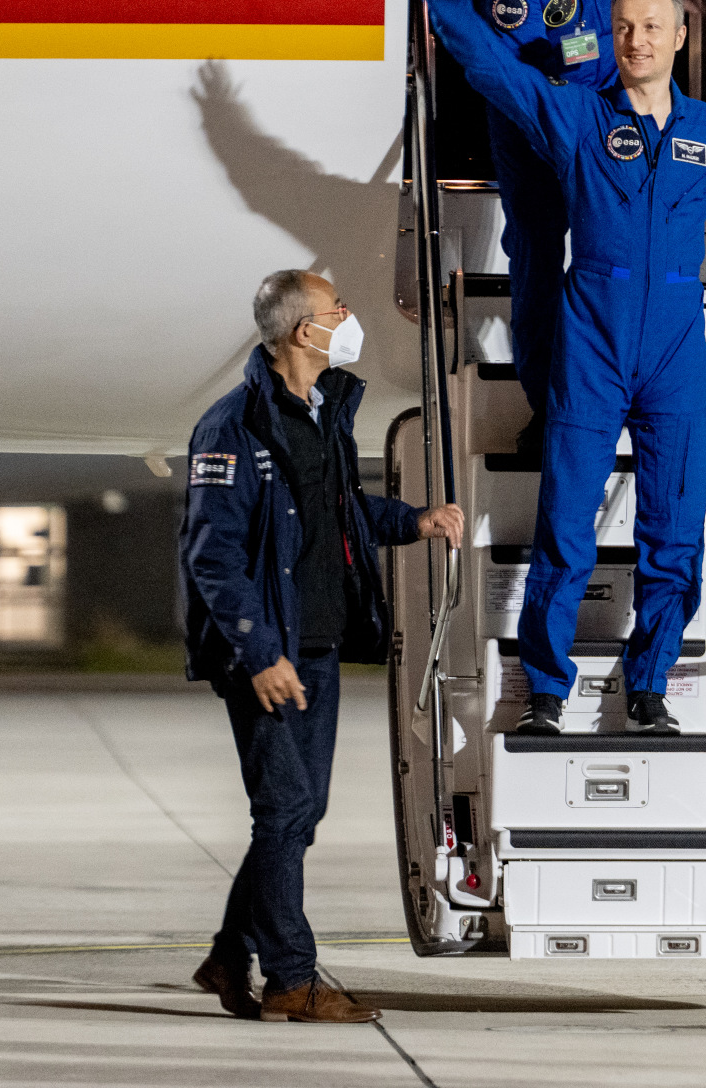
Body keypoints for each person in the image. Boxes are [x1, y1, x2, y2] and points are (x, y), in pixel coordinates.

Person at [400, 0, 706, 737]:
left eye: (652, 26)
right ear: (610, 40)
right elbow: (498, 72)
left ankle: (648, 686)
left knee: (673, 534)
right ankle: (546, 691)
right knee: (565, 528)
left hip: (675, 347)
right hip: (593, 342)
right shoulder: (578, 117)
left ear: (680, 38)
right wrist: (446, 3)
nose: (636, 39)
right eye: (623, 28)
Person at [181, 270, 463, 1022]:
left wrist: (414, 521)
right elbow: (214, 555)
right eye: (337, 309)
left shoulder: (324, 409)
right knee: (285, 810)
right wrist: (258, 654)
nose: (349, 316)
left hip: (316, 645)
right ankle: (292, 980)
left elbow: (339, 511)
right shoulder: (233, 426)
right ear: (304, 331)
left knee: (300, 815)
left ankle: (227, 955)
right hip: (266, 657)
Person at [480, 0, 706, 450]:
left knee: (621, 248)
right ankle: (546, 406)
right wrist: (616, 38)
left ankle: (627, 388)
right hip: (539, 125)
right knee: (537, 257)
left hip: (612, 109)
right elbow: (536, 63)